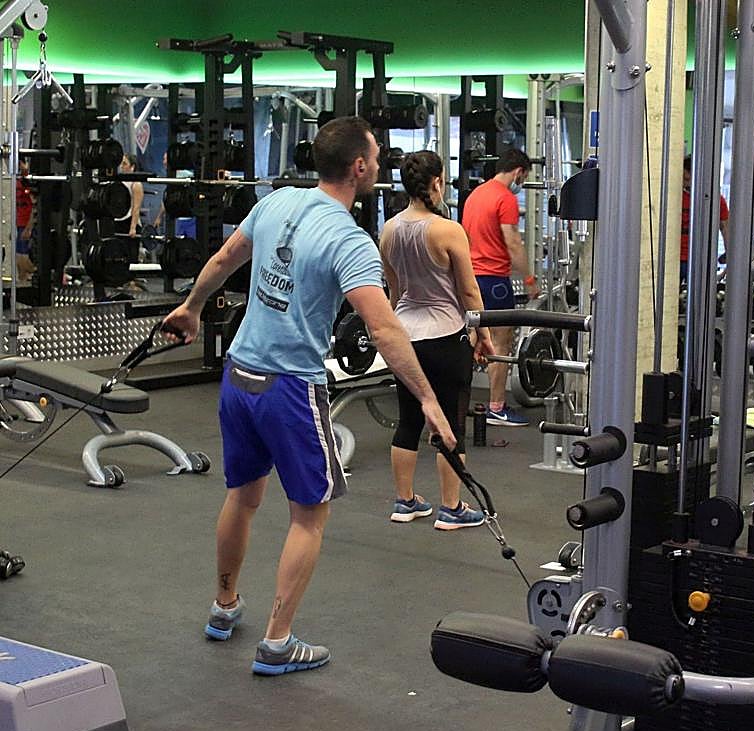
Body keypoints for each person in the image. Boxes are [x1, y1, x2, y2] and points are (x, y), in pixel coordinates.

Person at [163, 116, 455, 675]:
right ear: (360, 167)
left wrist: (192, 307)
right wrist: (428, 400)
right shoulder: (349, 240)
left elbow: (226, 260)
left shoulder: (277, 203)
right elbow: (385, 329)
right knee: (308, 516)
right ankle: (277, 641)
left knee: (242, 497)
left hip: (239, 376)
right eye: (376, 157)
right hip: (290, 389)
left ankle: (224, 607)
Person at [381, 150, 495, 529]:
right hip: (446, 335)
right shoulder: (448, 229)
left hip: (405, 334)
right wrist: (483, 333)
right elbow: (469, 291)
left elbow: (393, 291)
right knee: (451, 421)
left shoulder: (389, 229)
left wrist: (395, 331)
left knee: (409, 419)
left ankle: (405, 501)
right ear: (436, 183)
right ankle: (452, 507)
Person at [460, 147, 533, 427]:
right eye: (523, 179)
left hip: (470, 278)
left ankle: (457, 403)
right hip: (495, 281)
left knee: (471, 341)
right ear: (518, 172)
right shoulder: (505, 198)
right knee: (501, 345)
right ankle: (496, 408)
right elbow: (513, 241)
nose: (521, 184)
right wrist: (529, 280)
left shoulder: (475, 195)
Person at [680, 153, 730, 280]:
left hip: (700, 260)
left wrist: (730, 264)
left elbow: (726, 231)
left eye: (686, 180)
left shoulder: (716, 200)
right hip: (674, 260)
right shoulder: (674, 198)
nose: (684, 184)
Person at [117, 155, 144, 238]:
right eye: (121, 164)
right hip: (118, 221)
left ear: (132, 167)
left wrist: (133, 228)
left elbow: (136, 208)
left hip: (130, 222)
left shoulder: (136, 184)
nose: (121, 167)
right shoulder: (118, 183)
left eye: (124, 164)